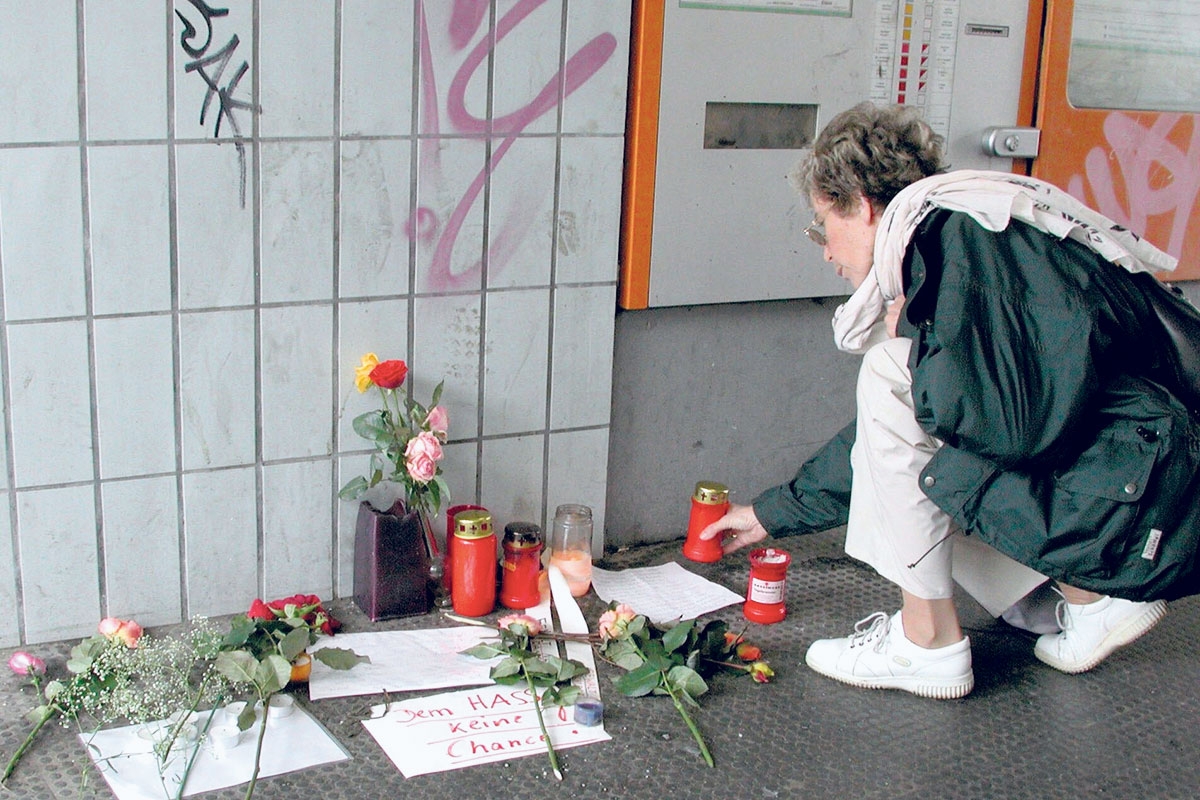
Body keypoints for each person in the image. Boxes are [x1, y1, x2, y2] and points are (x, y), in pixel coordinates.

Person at [699, 101, 1200, 699]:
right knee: (905, 404)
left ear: (859, 204)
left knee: (892, 376)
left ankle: (928, 642)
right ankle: (1075, 600)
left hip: (1148, 512)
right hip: (1142, 488)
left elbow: (1006, 428)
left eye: (821, 225)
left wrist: (909, 337)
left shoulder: (965, 244)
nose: (825, 250)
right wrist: (773, 512)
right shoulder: (976, 230)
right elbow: (919, 429)